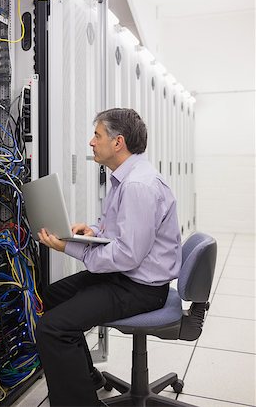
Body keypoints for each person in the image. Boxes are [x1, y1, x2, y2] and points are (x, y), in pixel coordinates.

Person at [37, 108, 182, 407]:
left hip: (140, 288)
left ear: (118, 142)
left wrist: (69, 247)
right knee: (53, 296)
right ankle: (86, 378)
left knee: (53, 327)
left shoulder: (138, 186)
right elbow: (118, 232)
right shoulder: (126, 178)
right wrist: (89, 231)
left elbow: (127, 255)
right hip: (127, 276)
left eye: (97, 135)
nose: (92, 142)